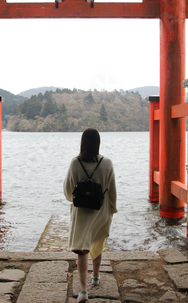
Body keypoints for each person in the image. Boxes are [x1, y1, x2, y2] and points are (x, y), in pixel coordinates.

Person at [63, 128, 117, 302]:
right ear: (98, 143)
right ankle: (95, 276)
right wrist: (112, 208)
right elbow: (112, 190)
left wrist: (74, 199)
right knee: (97, 240)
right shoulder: (107, 163)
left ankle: (83, 291)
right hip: (101, 210)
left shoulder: (75, 163)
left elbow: (68, 190)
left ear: (82, 143)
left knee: (82, 249)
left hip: (81, 213)